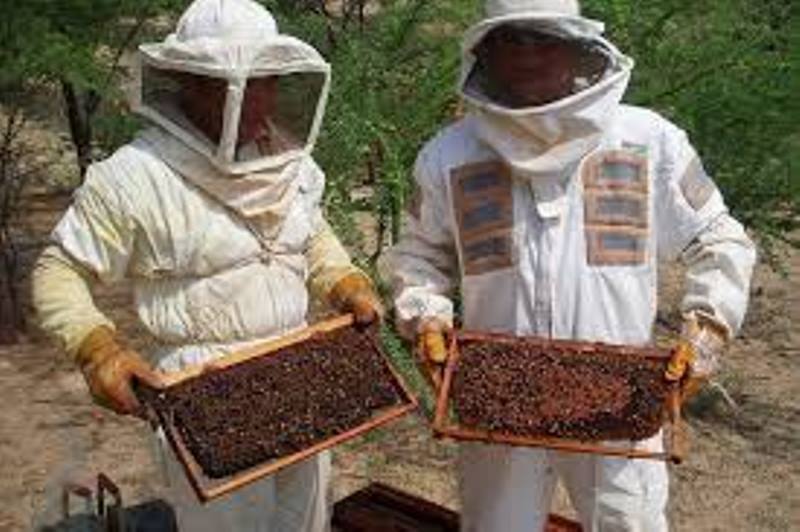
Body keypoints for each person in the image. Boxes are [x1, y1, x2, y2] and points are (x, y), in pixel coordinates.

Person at [386, 0, 756, 530]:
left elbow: (718, 238)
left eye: (544, 38)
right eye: (512, 40)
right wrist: (425, 316)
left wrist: (708, 331)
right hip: (500, 398)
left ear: (576, 47)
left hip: (618, 400)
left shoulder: (648, 141)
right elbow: (420, 254)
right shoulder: (450, 154)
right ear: (487, 52)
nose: (528, 54)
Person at [31, 0, 381, 529]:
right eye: (244, 85)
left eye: (269, 81)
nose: (262, 99)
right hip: (205, 393)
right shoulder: (135, 176)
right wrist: (97, 349)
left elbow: (311, 235)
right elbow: (59, 270)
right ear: (190, 83)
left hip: (299, 374)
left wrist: (345, 281)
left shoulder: (287, 161)